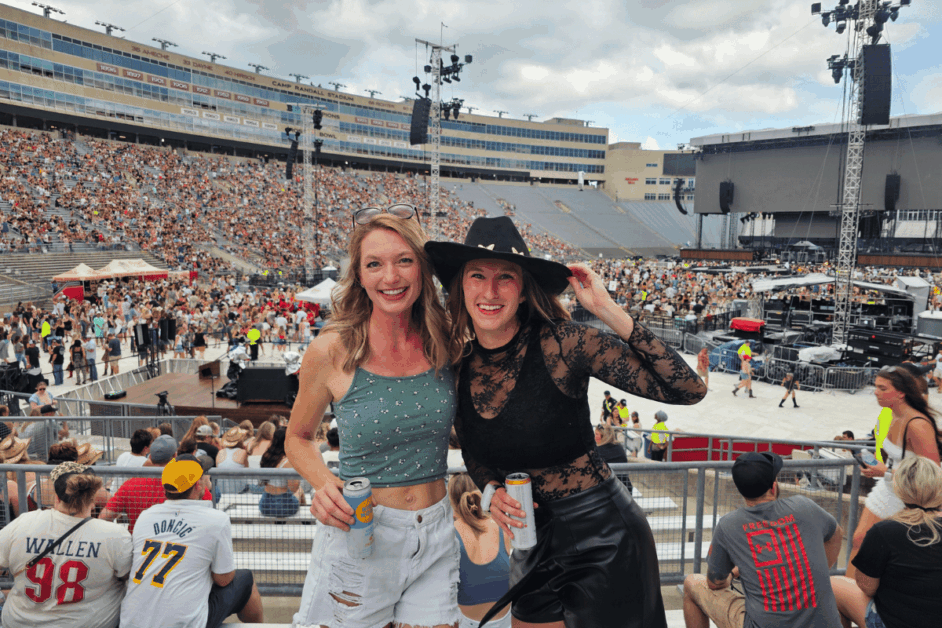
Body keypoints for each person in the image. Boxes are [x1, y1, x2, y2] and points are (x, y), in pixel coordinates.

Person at [425, 216, 707, 628]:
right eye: (477, 276)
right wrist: (491, 493)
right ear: (460, 287)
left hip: (604, 535)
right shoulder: (460, 369)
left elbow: (687, 388)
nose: (489, 291)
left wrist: (605, 308)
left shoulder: (565, 342)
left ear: (523, 290)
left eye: (505, 277)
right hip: (531, 543)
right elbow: (476, 453)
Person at [287, 207, 459, 628]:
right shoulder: (330, 350)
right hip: (361, 535)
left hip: (436, 532)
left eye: (404, 261)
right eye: (374, 264)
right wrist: (325, 485)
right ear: (359, 276)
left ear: (423, 267)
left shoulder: (449, 339)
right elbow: (298, 437)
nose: (391, 278)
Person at [682, 452, 843, 628]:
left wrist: (729, 577)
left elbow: (714, 582)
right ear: (773, 488)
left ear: (741, 491)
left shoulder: (729, 525)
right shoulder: (804, 506)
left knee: (692, 583)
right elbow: (836, 535)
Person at [119, 454, 264, 628]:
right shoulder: (216, 519)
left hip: (132, 621)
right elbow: (223, 579)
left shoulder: (146, 516)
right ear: (198, 485)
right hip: (183, 623)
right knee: (245, 578)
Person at [0, 461, 132, 628]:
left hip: (20, 622)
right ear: (93, 499)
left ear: (56, 497)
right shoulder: (115, 535)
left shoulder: (23, 523)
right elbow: (129, 576)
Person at [847, 365, 941, 578]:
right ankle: (850, 594)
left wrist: (886, 471)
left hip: (909, 497)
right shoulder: (892, 415)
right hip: (889, 488)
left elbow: (932, 475)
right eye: (876, 387)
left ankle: (855, 596)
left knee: (870, 546)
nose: (875, 392)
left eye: (882, 388)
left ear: (900, 393)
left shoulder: (918, 425)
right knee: (859, 539)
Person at [830, 455, 942, 628]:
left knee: (833, 584)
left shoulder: (884, 532)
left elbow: (866, 587)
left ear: (900, 489)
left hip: (894, 622)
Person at [98, 435, 211, 533]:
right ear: (175, 456)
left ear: (150, 457)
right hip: (178, 547)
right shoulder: (188, 485)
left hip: (139, 547)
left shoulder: (130, 485)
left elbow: (103, 517)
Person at [449, 473, 511, 628]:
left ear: (451, 501)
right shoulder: (500, 526)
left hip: (468, 622)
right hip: (505, 619)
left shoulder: (450, 534)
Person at [259, 426, 303, 517]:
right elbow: (294, 488)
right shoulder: (288, 462)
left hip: (265, 504)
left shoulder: (266, 456)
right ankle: (304, 522)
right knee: (300, 490)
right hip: (283, 505)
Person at [111, 428, 153, 493]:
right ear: (146, 448)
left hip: (115, 493)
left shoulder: (123, 455)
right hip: (128, 497)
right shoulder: (145, 462)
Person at [216, 426, 249, 494]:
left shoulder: (220, 453)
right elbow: (247, 471)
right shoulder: (243, 452)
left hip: (222, 493)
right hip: (239, 492)